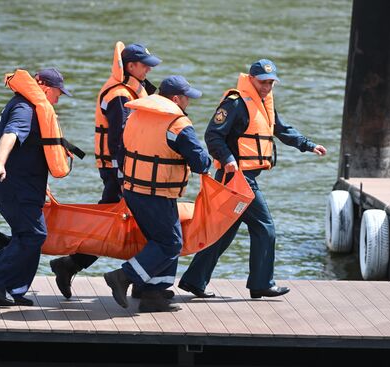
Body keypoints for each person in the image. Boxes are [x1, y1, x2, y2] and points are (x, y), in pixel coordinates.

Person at [178, 59, 327, 299]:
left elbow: (281, 129)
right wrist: (227, 159)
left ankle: (194, 280)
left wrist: (309, 145)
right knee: (265, 228)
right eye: (263, 82)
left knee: (224, 231)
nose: (268, 87)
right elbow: (212, 135)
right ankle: (261, 284)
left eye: (271, 82)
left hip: (244, 178)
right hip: (237, 179)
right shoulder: (235, 103)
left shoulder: (263, 103)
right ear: (251, 79)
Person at [47, 43, 162, 299]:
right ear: (130, 66)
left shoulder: (133, 90)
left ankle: (72, 265)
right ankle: (138, 282)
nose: (149, 69)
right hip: (119, 170)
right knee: (130, 225)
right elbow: (118, 139)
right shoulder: (119, 95)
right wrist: (123, 174)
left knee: (114, 225)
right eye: (145, 64)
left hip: (126, 169)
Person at [104, 76, 212, 313]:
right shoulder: (177, 123)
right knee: (171, 243)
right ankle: (123, 277)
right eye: (187, 98)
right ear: (176, 99)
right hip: (155, 193)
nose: (188, 103)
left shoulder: (136, 114)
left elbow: (121, 151)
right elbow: (199, 161)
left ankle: (152, 292)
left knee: (159, 239)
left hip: (133, 189)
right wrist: (209, 162)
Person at [0, 68, 73, 306]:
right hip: (14, 187)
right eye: (58, 93)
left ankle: (13, 289)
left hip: (25, 187)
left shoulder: (26, 105)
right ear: (45, 88)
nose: (58, 98)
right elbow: (10, 134)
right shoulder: (25, 108)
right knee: (34, 234)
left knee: (30, 236)